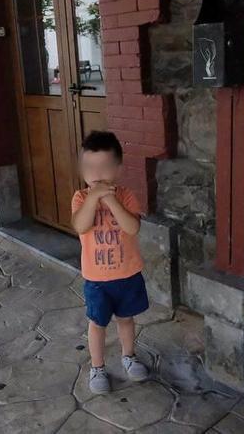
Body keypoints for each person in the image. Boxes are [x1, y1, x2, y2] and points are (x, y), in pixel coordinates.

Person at [71, 131, 151, 394]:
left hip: (127, 274)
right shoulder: (81, 198)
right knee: (97, 324)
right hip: (96, 280)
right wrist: (94, 198)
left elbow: (132, 228)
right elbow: (81, 226)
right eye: (90, 168)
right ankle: (98, 367)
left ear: (118, 169)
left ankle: (129, 356)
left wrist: (110, 199)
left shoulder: (126, 196)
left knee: (126, 319)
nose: (96, 174)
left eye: (104, 168)